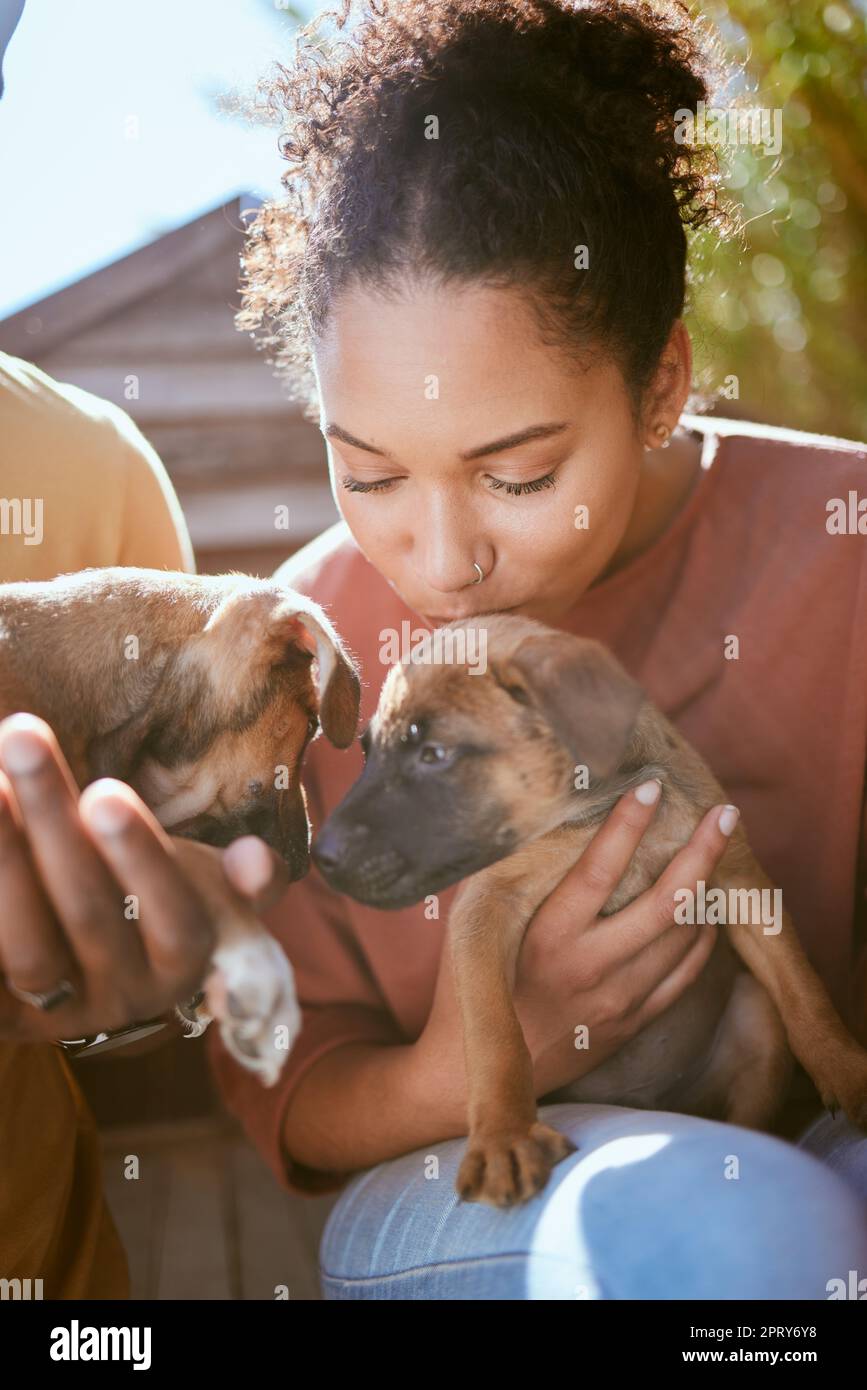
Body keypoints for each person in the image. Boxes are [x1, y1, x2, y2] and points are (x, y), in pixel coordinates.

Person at [203, 0, 867, 1298]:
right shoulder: (298, 654)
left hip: (802, 1116)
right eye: (370, 473)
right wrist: (473, 1063)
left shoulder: (845, 543)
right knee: (751, 1241)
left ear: (663, 384)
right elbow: (290, 1090)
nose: (440, 559)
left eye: (517, 475)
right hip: (473, 1170)